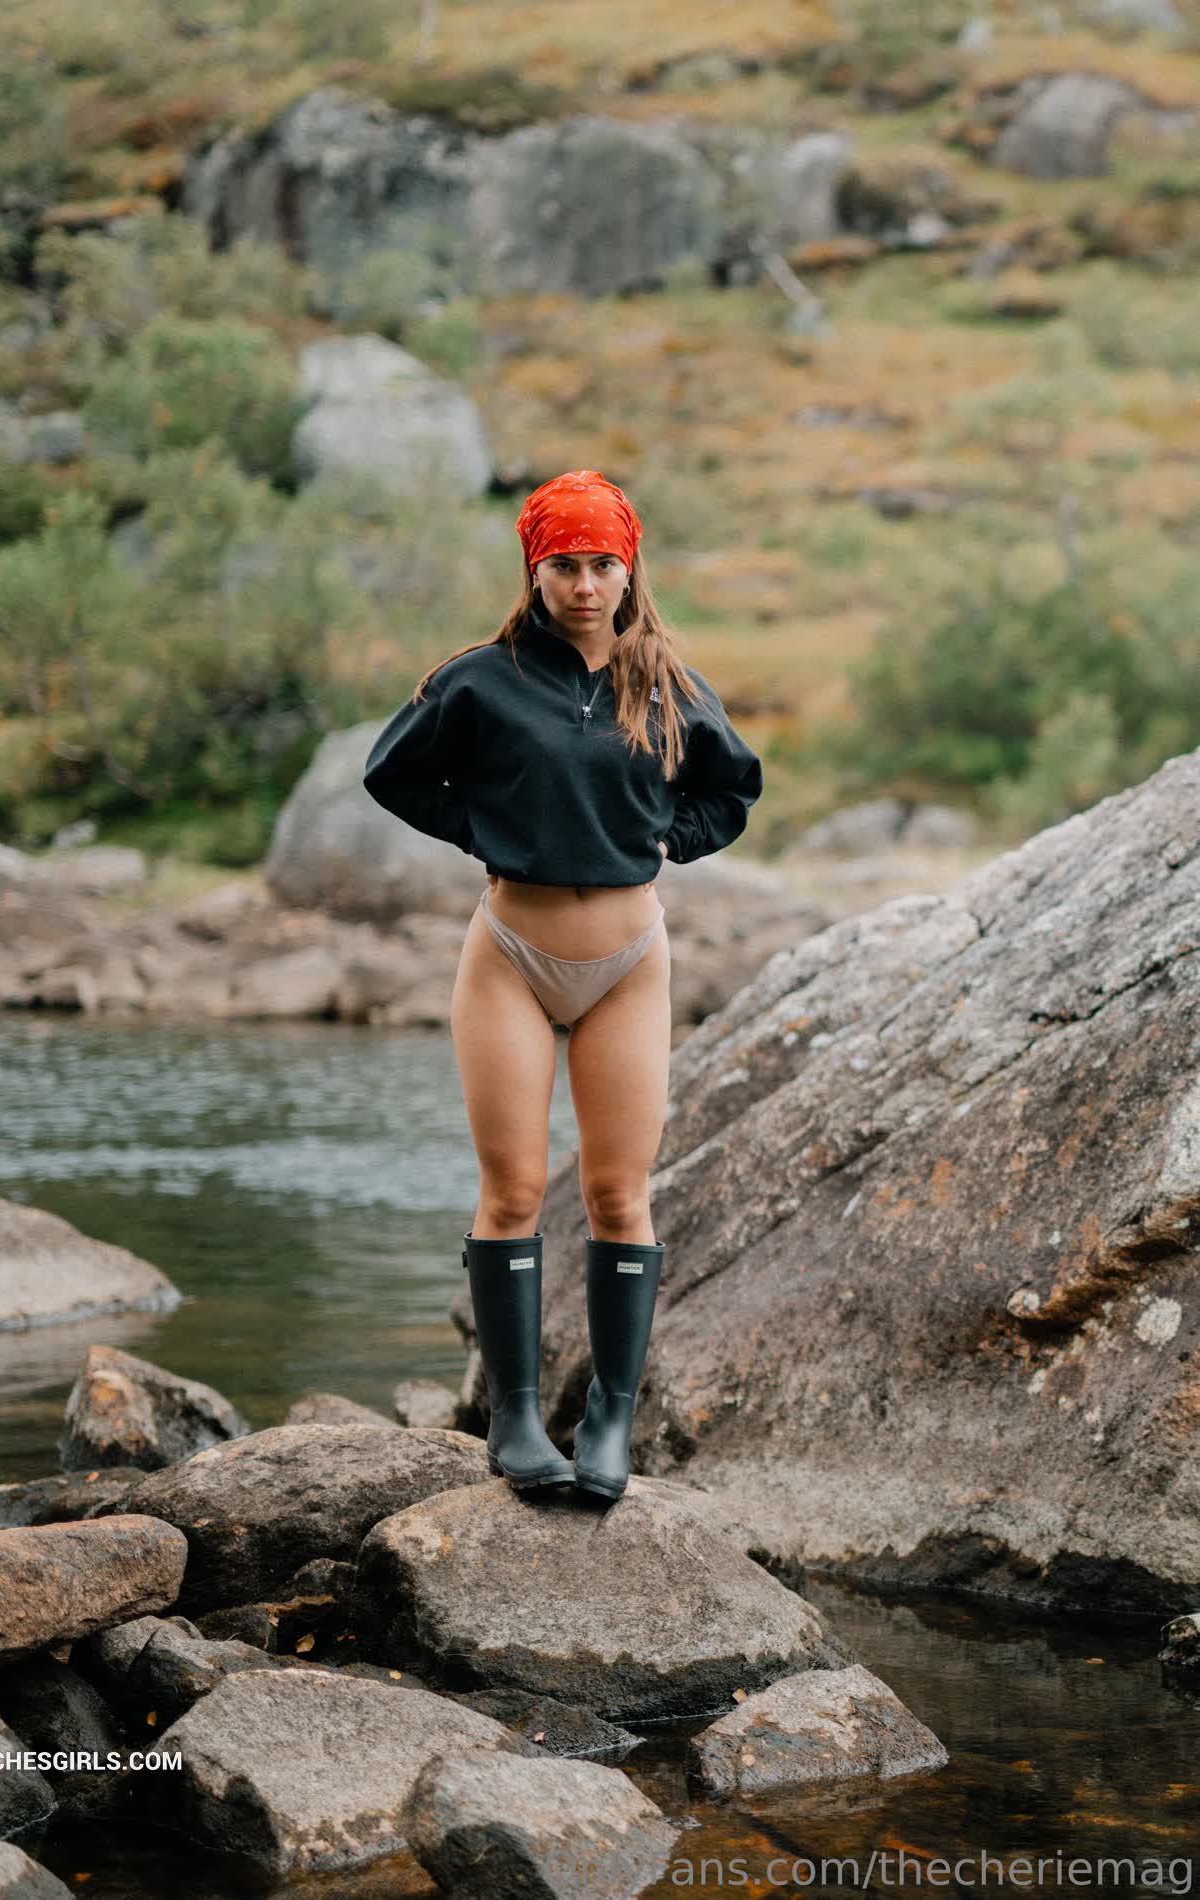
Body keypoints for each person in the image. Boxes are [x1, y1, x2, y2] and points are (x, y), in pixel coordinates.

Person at [363, 470, 763, 1502]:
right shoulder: (478, 681)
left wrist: (671, 837)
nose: (584, 586)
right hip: (509, 954)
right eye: (564, 566)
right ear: (533, 570)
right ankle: (514, 1419)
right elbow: (391, 773)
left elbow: (733, 789)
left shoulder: (668, 684)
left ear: (629, 569)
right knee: (514, 1191)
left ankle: (610, 1421)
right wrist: (483, 830)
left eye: (601, 565)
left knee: (618, 1194)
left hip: (629, 967)